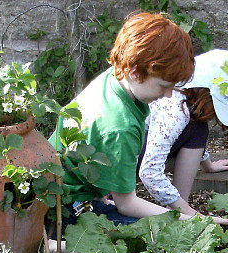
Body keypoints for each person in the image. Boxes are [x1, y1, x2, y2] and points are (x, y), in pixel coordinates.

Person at [48, 12, 195, 233]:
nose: (167, 95)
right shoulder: (120, 127)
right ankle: (60, 248)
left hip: (60, 187)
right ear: (135, 72)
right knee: (154, 235)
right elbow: (127, 204)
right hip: (68, 207)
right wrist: (187, 220)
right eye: (163, 86)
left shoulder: (115, 76)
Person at [138, 49, 228, 224]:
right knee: (197, 128)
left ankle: (179, 211)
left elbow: (191, 135)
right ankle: (181, 213)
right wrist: (197, 216)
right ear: (205, 93)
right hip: (130, 161)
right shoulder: (176, 108)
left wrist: (208, 165)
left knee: (198, 128)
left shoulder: (186, 103)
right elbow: (149, 172)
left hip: (145, 150)